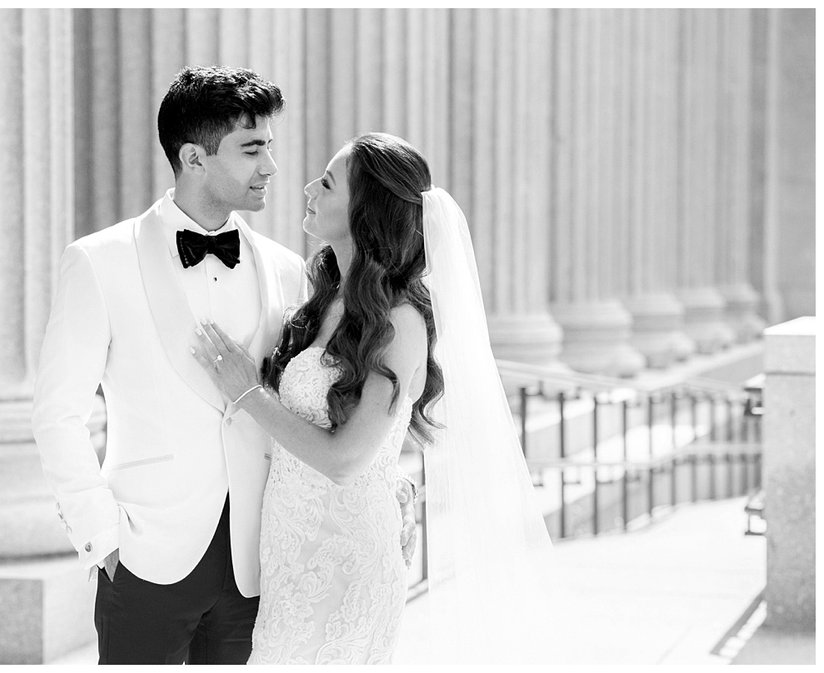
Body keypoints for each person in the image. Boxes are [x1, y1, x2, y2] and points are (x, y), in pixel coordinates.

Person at [32, 66, 415, 665]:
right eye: (252, 149)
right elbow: (57, 413)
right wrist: (101, 538)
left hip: (262, 566)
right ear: (194, 157)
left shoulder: (293, 271)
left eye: (271, 147)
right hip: (143, 556)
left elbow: (346, 385)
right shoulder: (99, 262)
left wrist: (389, 483)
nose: (272, 167)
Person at [193, 132, 554, 664]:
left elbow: (345, 459)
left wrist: (246, 390)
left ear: (366, 212)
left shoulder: (401, 320)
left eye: (329, 183)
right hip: (290, 548)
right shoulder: (326, 296)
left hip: (347, 561)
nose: (310, 187)